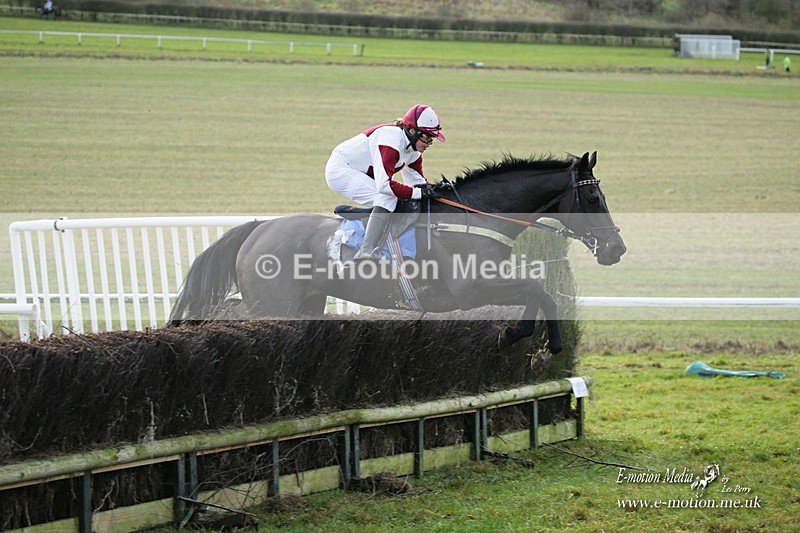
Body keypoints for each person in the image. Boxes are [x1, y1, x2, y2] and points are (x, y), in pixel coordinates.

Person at [325, 104, 445, 261]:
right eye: (427, 137)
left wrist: (439, 190)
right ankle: (365, 251)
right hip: (340, 171)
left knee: (398, 198)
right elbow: (385, 186)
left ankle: (370, 219)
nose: (429, 143)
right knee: (387, 197)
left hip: (362, 173)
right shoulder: (390, 141)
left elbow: (418, 183)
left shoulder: (412, 150)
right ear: (412, 131)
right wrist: (419, 192)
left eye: (432, 139)